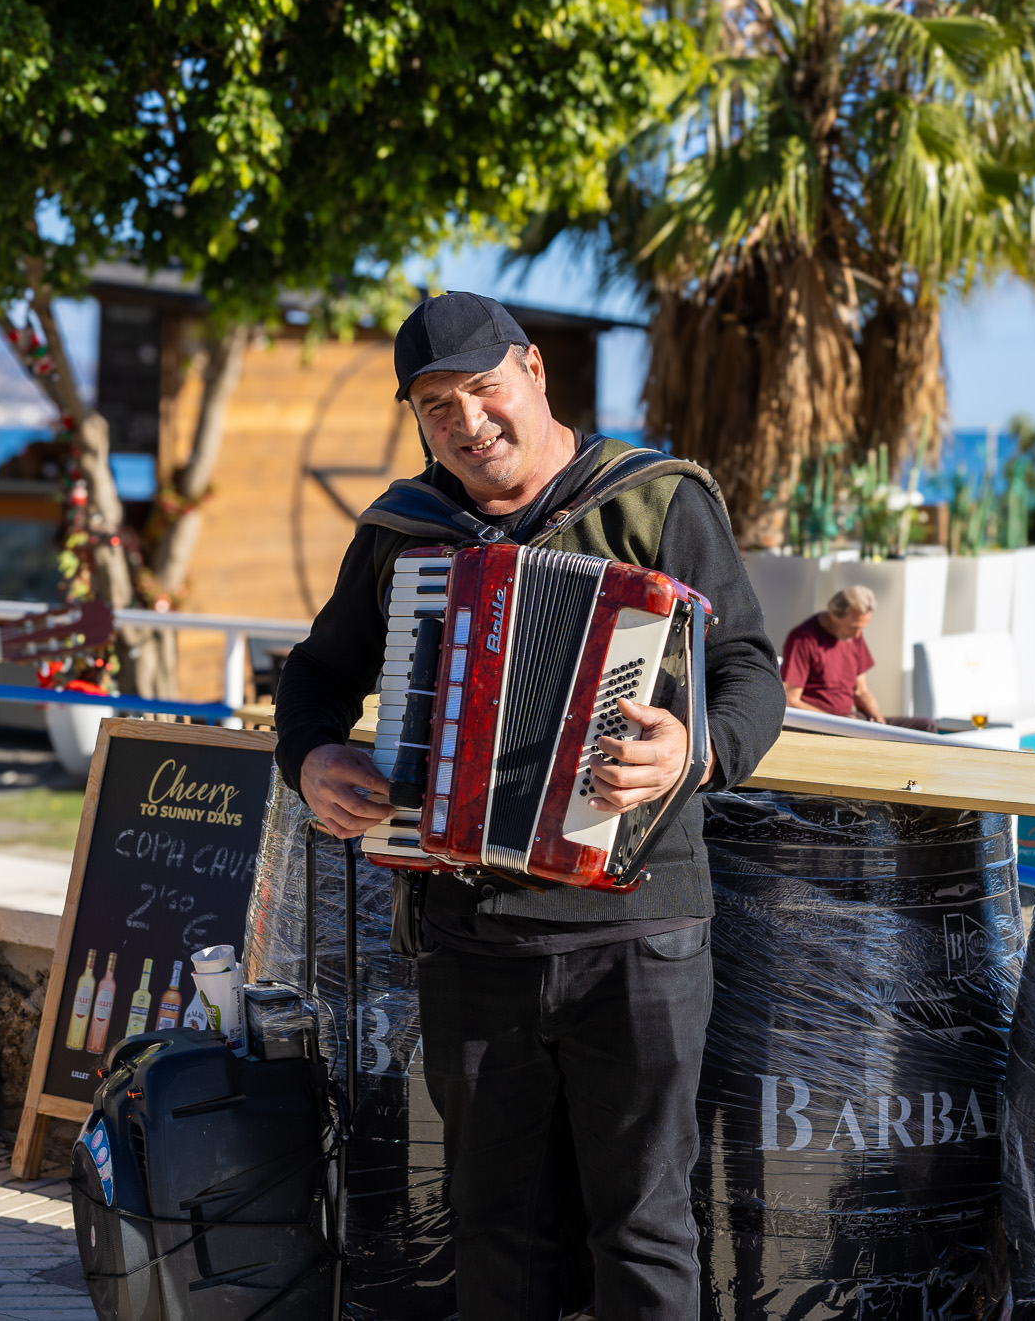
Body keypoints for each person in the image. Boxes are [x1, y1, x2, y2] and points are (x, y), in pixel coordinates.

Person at [275, 292, 785, 1319]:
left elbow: (748, 671)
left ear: (533, 373)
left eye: (481, 389)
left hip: (637, 929)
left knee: (641, 1228)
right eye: (434, 406)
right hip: (472, 934)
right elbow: (317, 673)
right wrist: (312, 756)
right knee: (492, 1225)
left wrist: (697, 748)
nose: (465, 422)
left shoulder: (655, 501)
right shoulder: (402, 534)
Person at [781, 586, 938, 731]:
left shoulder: (852, 635)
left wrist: (879, 722)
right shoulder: (803, 639)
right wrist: (835, 722)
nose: (858, 635)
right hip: (823, 726)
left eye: (862, 628)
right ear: (834, 616)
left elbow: (861, 690)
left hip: (853, 720)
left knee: (927, 726)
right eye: (854, 627)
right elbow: (790, 700)